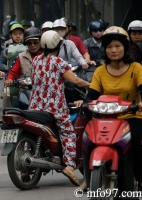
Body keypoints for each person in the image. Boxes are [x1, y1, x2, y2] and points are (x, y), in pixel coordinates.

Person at [80, 26, 142, 193]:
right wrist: (85, 103)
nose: (113, 50)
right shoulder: (100, 71)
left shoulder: (136, 68)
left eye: (117, 46)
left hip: (131, 115)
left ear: (125, 47)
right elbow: (91, 94)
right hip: (104, 118)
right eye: (109, 47)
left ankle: (138, 178)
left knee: (135, 140)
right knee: (86, 138)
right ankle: (88, 178)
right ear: (104, 50)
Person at [29, 30, 89, 186]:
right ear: (59, 45)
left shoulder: (35, 60)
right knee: (69, 133)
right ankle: (69, 165)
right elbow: (75, 80)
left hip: (35, 106)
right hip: (55, 107)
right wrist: (92, 85)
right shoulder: (59, 62)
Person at [5, 27, 42, 108]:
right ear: (26, 44)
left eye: (35, 42)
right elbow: (12, 72)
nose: (33, 45)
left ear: (40, 42)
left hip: (44, 90)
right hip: (25, 91)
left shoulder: (46, 56)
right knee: (14, 109)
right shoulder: (21, 57)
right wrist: (9, 79)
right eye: (29, 43)